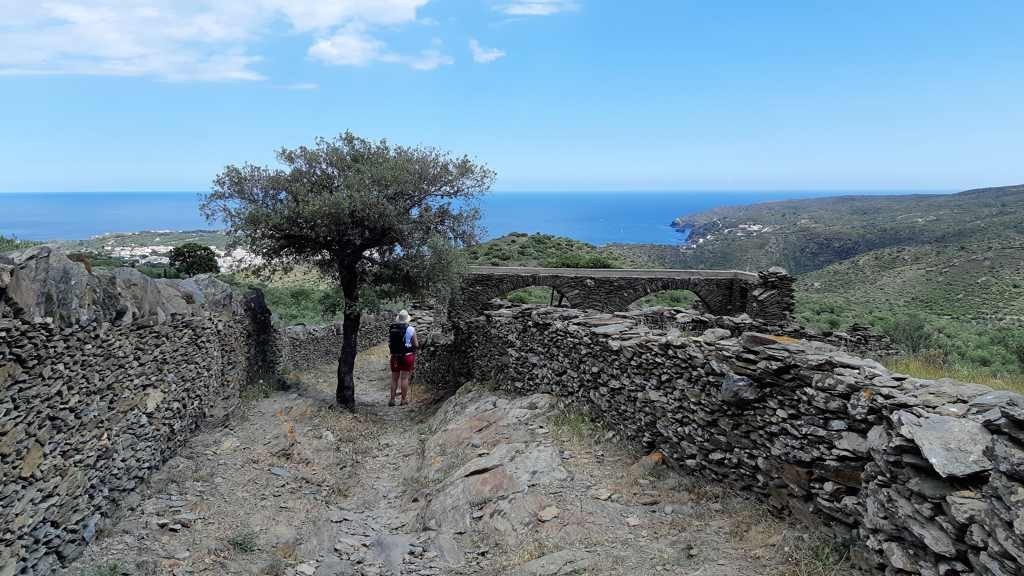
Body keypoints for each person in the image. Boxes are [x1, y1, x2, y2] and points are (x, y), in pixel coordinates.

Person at [387, 309, 417, 406]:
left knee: (394, 378)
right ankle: (403, 400)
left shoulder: (392, 328)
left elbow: (390, 343)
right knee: (404, 378)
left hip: (395, 356)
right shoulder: (411, 329)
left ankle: (392, 400)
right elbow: (416, 344)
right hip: (407, 356)